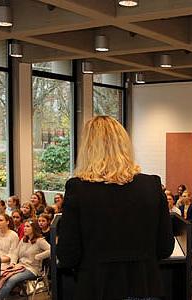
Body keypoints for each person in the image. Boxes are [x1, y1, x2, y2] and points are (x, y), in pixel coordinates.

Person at [56, 116, 174, 300]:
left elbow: (67, 254)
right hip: (145, 286)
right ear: (125, 145)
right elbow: (165, 247)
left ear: (87, 148)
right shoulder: (151, 184)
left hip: (96, 287)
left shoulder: (77, 188)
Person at [0, 220, 51, 300]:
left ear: (34, 228)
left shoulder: (40, 241)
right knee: (2, 274)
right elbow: (15, 253)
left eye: (27, 226)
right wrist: (12, 263)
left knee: (12, 279)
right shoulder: (24, 240)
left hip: (32, 269)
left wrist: (38, 256)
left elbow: (51, 250)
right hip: (20, 266)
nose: (24, 229)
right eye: (24, 226)